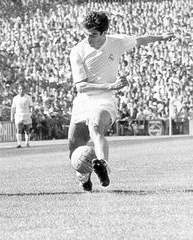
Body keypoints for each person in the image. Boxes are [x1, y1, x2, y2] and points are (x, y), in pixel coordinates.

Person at [69, 11, 174, 191]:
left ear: (103, 33)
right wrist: (112, 85)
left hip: (103, 100)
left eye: (93, 34)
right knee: (74, 148)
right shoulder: (78, 51)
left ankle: (103, 165)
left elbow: (140, 39)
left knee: (96, 127)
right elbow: (81, 87)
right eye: (86, 33)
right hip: (84, 99)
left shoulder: (116, 41)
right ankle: (84, 176)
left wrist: (162, 37)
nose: (88, 38)